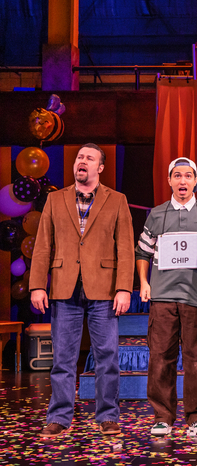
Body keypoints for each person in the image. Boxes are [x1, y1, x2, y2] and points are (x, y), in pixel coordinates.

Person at [30, 143, 134, 438]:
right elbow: (42, 246)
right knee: (62, 357)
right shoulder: (55, 199)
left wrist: (124, 288)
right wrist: (38, 284)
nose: (82, 162)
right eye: (79, 157)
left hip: (103, 288)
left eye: (89, 158)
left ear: (100, 167)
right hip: (64, 287)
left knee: (107, 356)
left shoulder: (117, 200)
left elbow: (125, 248)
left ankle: (107, 416)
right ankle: (60, 417)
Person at [136, 157, 197, 437]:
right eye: (177, 175)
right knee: (161, 357)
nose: (183, 181)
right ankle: (163, 417)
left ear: (196, 180)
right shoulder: (156, 214)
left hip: (196, 298)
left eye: (188, 176)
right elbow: (142, 252)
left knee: (196, 358)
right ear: (169, 180)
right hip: (162, 297)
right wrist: (143, 282)